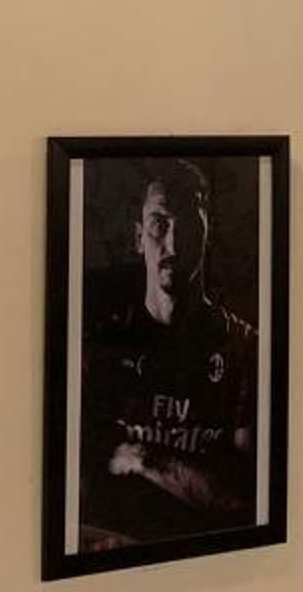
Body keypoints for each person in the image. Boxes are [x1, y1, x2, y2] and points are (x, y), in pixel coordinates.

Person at [77, 162, 258, 548]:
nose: (174, 245)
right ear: (139, 238)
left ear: (207, 235)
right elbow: (73, 492)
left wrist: (144, 458)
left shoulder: (243, 349)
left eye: (188, 224)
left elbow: (243, 503)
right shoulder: (99, 349)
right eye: (160, 223)